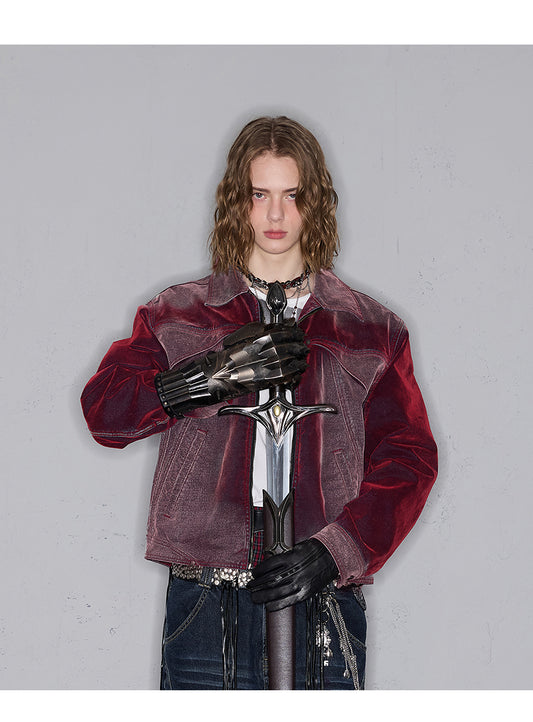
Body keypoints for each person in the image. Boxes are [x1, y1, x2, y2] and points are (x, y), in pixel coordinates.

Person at [81, 116, 438, 690]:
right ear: (236, 201)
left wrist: (337, 551)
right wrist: (204, 377)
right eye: (259, 194)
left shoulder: (371, 330)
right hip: (205, 594)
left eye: (292, 195)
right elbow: (104, 413)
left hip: (322, 594)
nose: (276, 215)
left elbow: (409, 458)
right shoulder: (179, 315)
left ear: (315, 202)